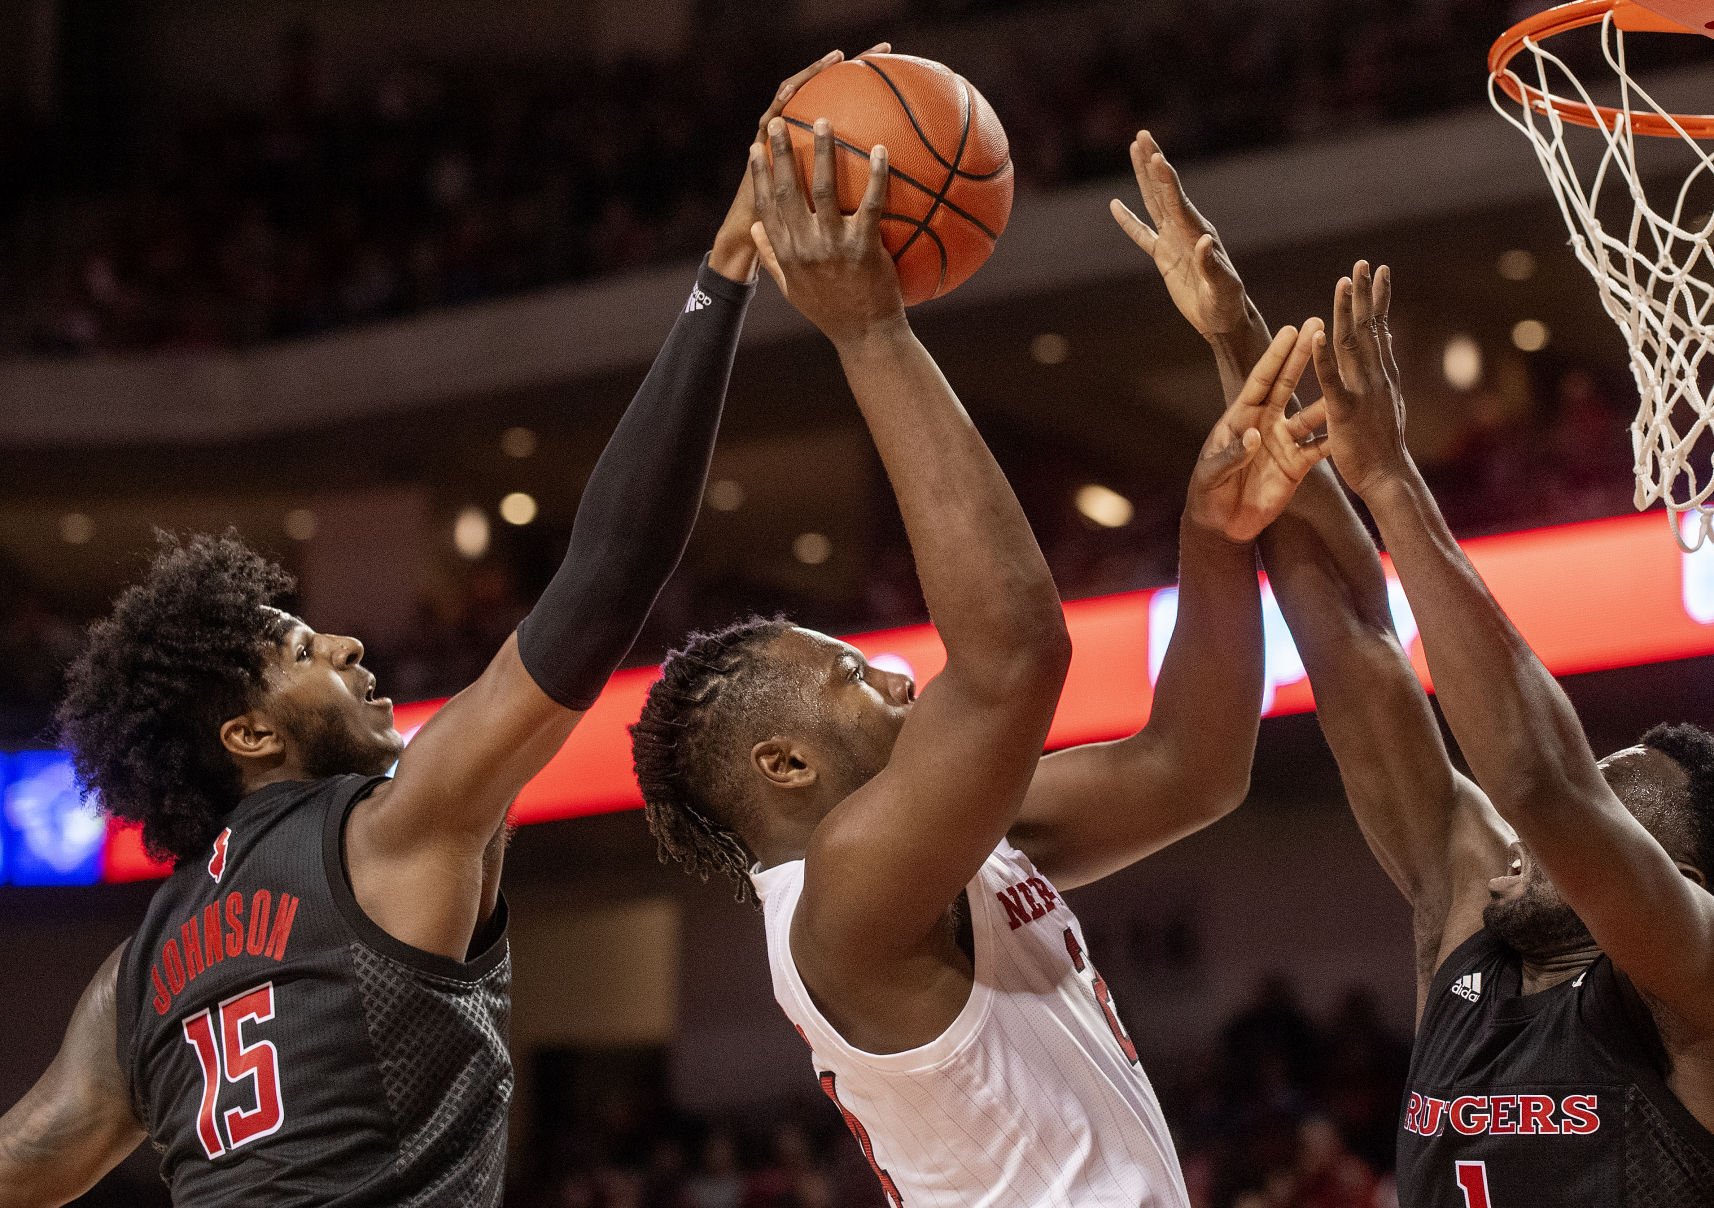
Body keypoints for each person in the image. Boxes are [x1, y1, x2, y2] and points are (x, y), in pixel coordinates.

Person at [0, 54, 870, 1208]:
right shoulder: (395, 825)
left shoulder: (136, 972)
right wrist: (721, 273)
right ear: (248, 732)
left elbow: (28, 1160)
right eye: (300, 648)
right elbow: (609, 569)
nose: (350, 647)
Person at [629, 115, 1330, 1207]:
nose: (901, 678)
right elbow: (1013, 656)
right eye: (852, 676)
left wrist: (1209, 531)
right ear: (784, 762)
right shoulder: (842, 895)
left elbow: (1193, 770)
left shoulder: (946, 845)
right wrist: (870, 333)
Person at [1116, 130, 1714, 1206]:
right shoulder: (1467, 922)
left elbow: (1546, 784)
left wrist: (1392, 479)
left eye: (1615, 829)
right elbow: (1355, 641)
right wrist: (1237, 337)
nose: (1532, 845)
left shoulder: (1693, 990)